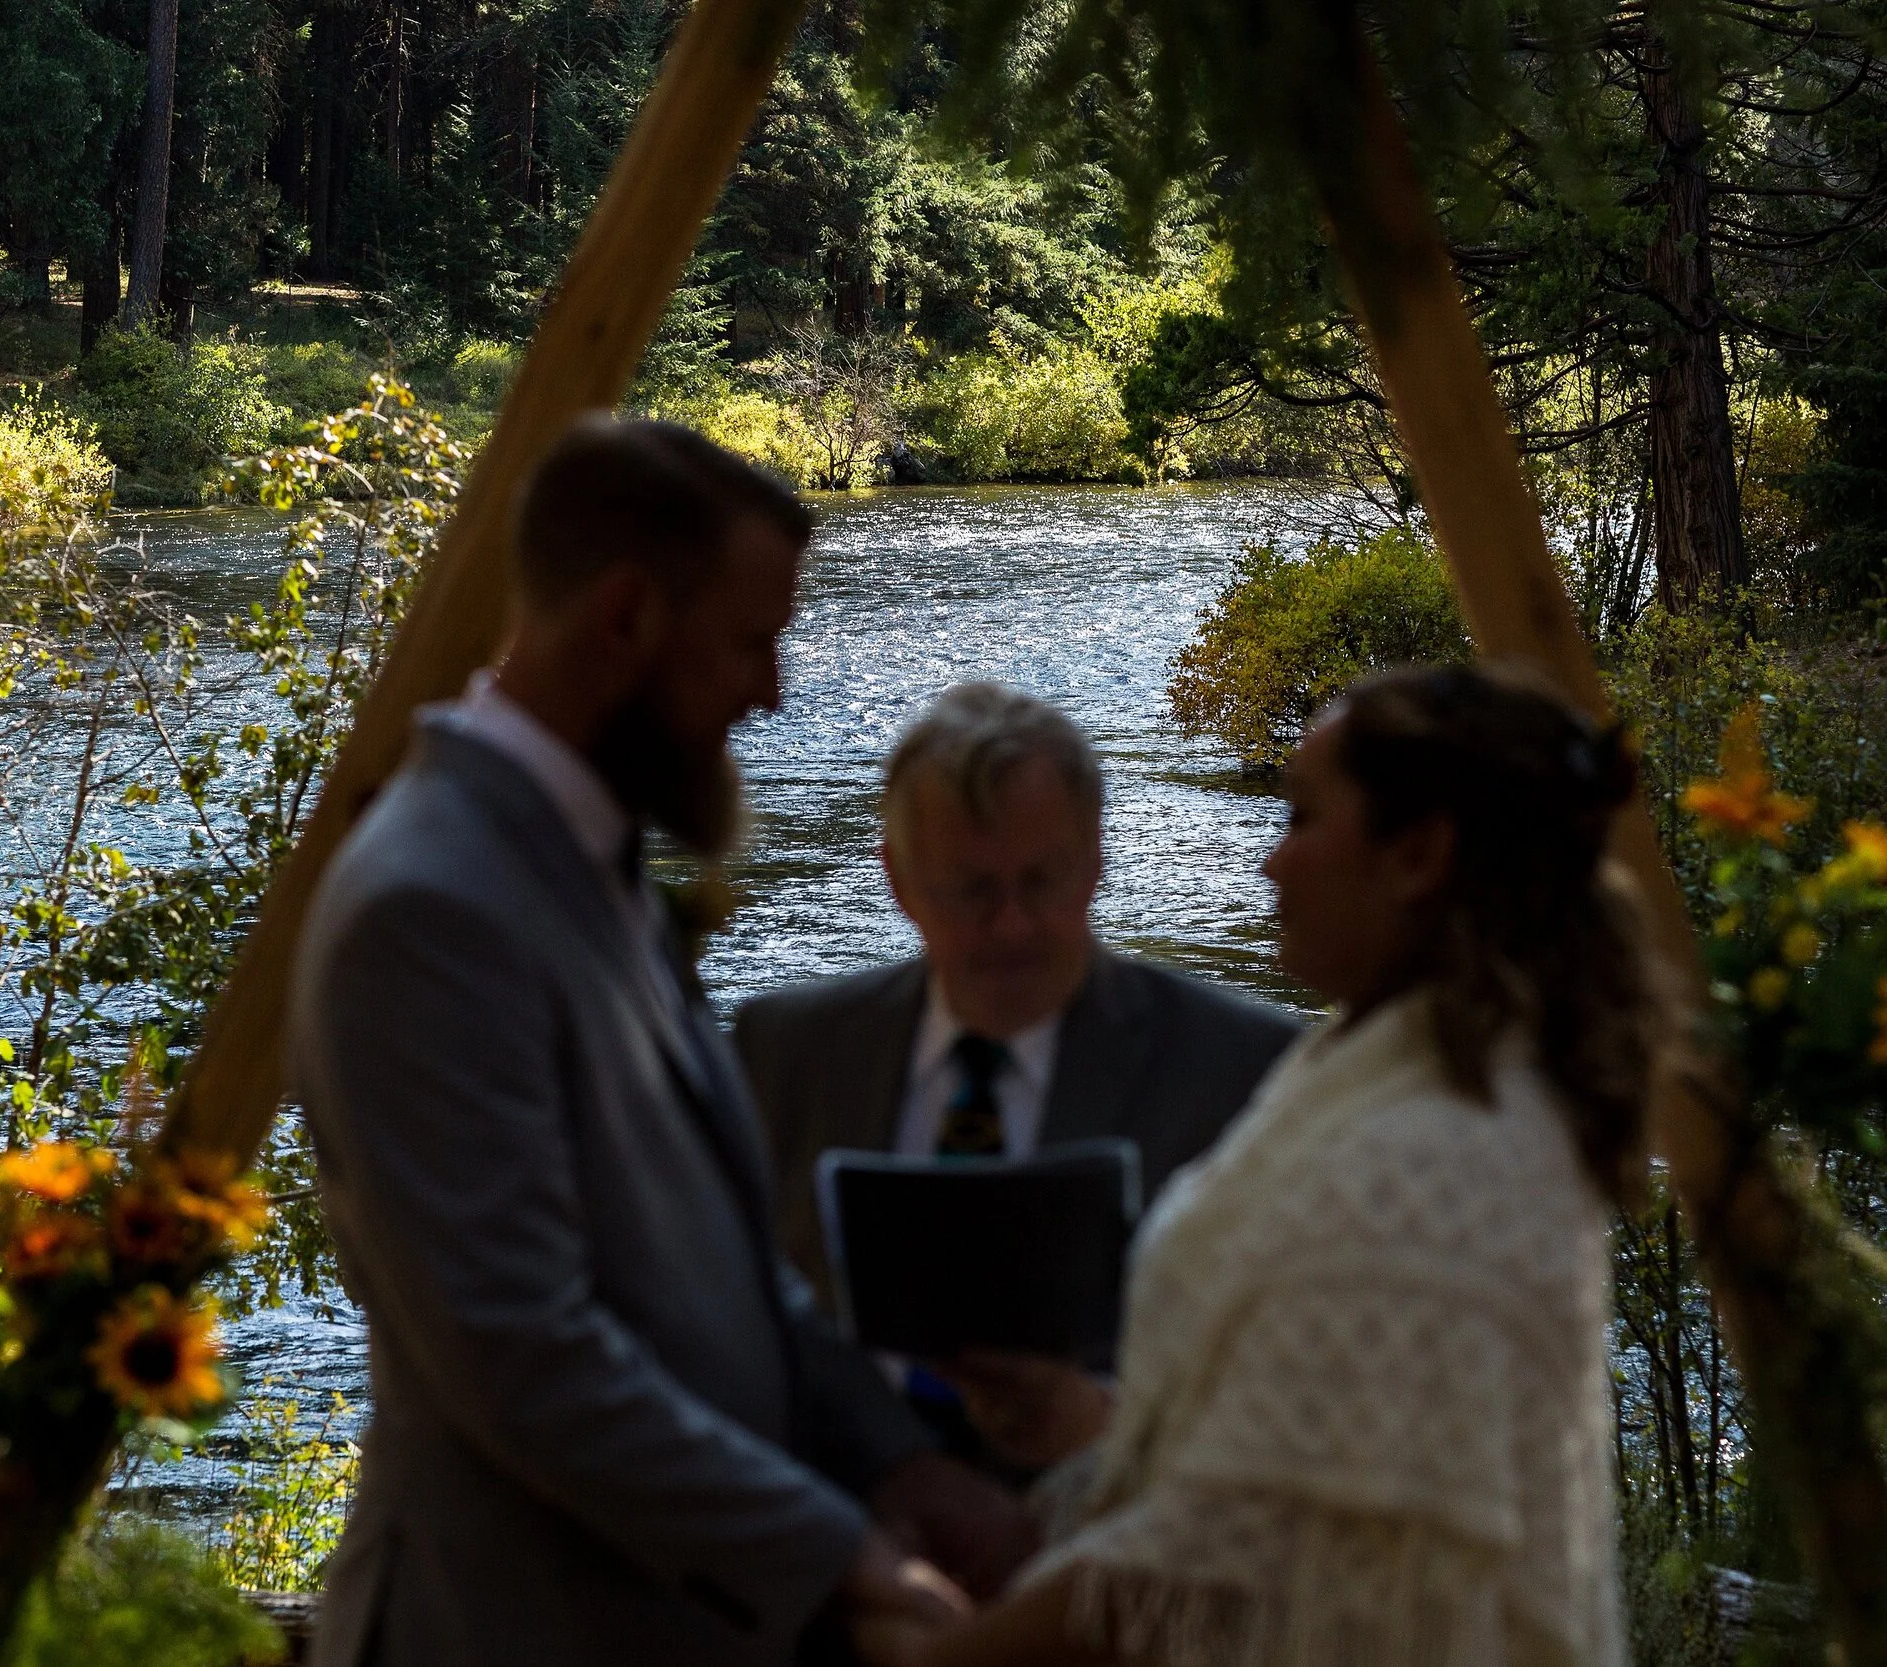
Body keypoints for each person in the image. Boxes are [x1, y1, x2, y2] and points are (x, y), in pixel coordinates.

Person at [289, 416, 1028, 1667]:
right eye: (749, 641)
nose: (771, 691)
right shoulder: (429, 909)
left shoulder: (587, 858)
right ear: (626, 615)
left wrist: (903, 1468)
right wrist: (840, 1555)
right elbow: (520, 1354)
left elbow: (727, 1268)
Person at [859, 662, 1670, 1667]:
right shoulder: (1384, 1087)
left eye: (1301, 817)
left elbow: (1207, 1569)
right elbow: (1288, 1493)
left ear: (1418, 855)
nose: (1269, 862)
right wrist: (1086, 1435)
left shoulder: (1431, 1165)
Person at [732, 682, 1296, 1466]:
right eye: (972, 889)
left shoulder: (1240, 1067)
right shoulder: (787, 1050)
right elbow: (734, 1318)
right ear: (897, 880)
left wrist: (1105, 1425)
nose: (1012, 924)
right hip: (843, 1513)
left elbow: (1289, 1384)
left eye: (1041, 881)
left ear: (1095, 860)